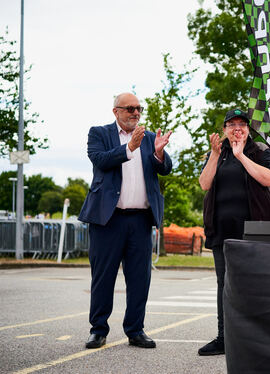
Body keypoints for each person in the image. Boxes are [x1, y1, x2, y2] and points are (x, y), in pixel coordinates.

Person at [79, 93, 172, 349]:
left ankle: (135, 330)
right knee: (103, 277)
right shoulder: (98, 133)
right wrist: (129, 148)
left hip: (140, 220)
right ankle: (98, 330)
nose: (136, 112)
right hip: (107, 220)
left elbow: (165, 169)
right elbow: (100, 160)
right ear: (116, 111)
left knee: (140, 278)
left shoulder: (150, 138)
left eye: (139, 108)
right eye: (130, 108)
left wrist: (160, 154)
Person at [198, 108, 270, 355]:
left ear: (248, 129)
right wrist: (214, 154)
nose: (237, 128)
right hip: (221, 229)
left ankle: (254, 340)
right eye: (231, 125)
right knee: (224, 284)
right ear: (224, 130)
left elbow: (268, 179)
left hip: (254, 230)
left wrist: (241, 155)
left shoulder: (260, 150)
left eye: (242, 124)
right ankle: (223, 338)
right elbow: (204, 183)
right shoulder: (217, 153)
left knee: (253, 283)